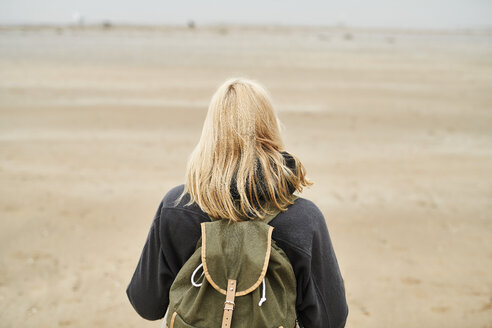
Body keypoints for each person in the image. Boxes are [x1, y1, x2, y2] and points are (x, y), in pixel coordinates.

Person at [126, 78, 348, 328]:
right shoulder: (303, 219)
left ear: (211, 132)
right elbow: (331, 320)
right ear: (270, 129)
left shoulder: (177, 206)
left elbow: (145, 304)